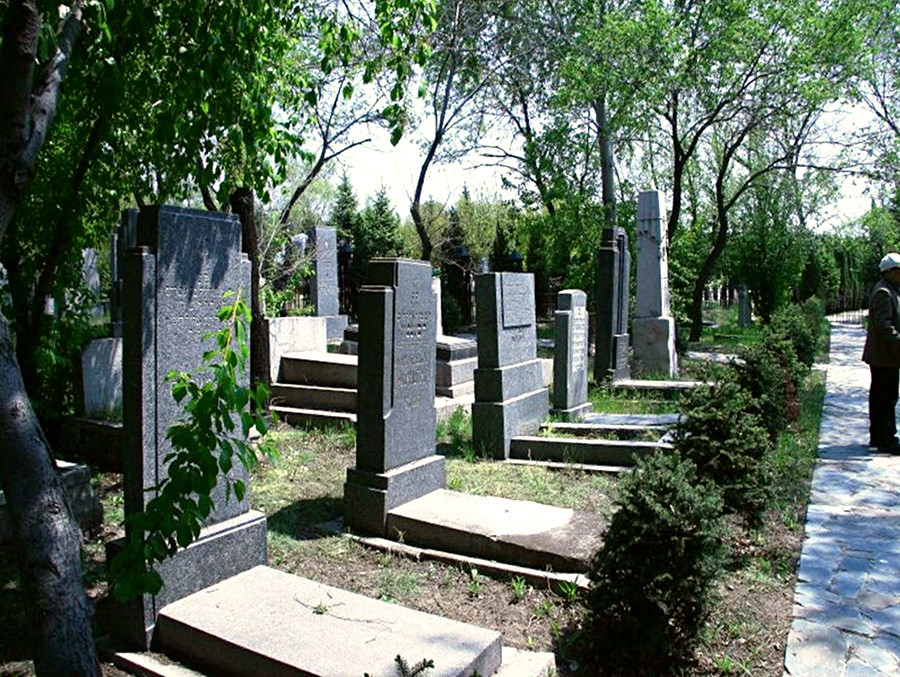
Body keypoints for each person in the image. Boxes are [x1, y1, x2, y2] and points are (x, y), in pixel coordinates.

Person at [863, 252, 900, 452]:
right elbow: (884, 326)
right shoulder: (884, 292)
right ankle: (886, 438)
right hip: (884, 356)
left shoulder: (891, 289)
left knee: (882, 396)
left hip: (887, 356)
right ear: (891, 271)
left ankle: (879, 436)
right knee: (886, 397)